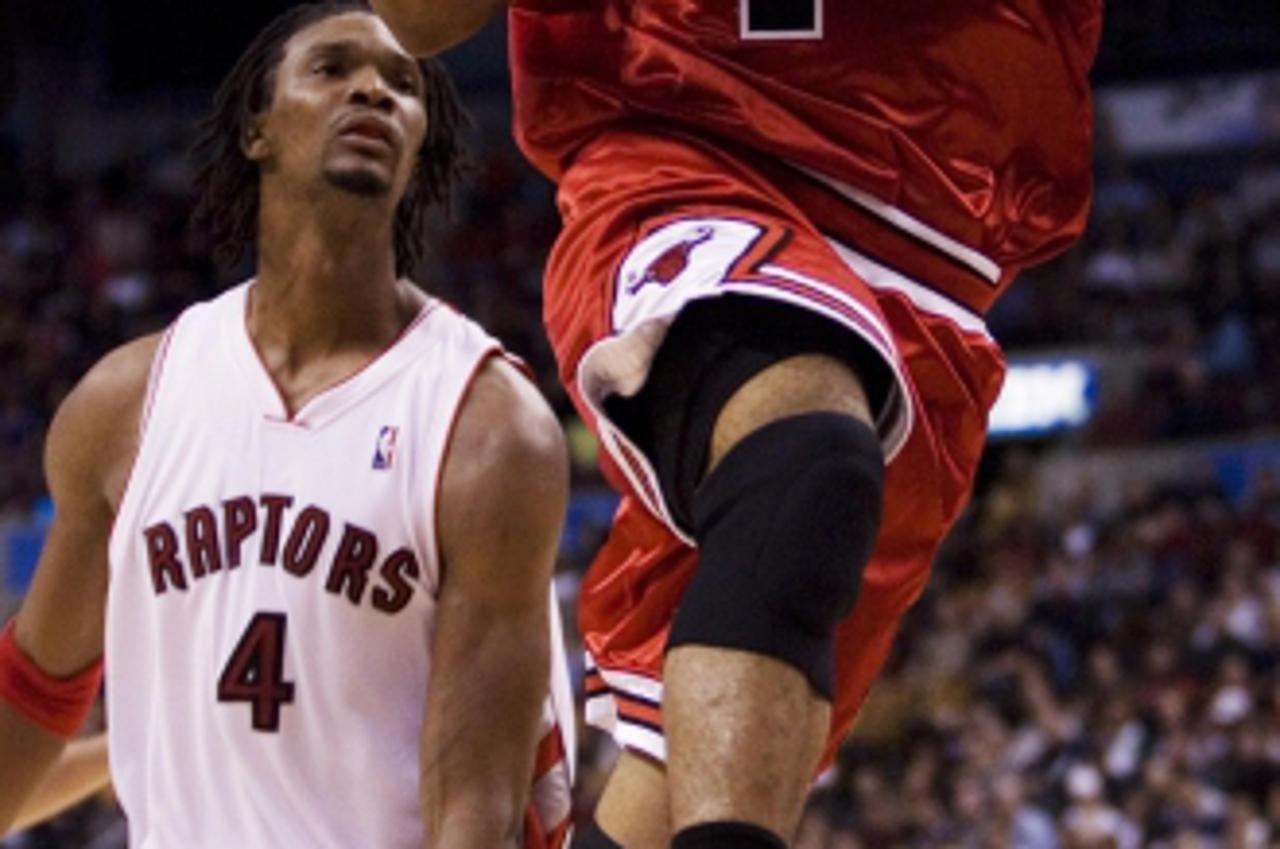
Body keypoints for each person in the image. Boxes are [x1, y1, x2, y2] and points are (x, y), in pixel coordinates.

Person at [373, 2, 1102, 847]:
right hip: (692, 149)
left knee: (674, 779)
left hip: (946, 248)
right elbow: (411, 17)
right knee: (802, 462)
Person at [0, 4, 575, 848]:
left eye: (401, 83)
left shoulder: (490, 425)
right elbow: (37, 685)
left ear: (418, 149)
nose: (373, 92)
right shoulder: (125, 404)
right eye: (332, 70)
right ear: (257, 130)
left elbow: (474, 804)